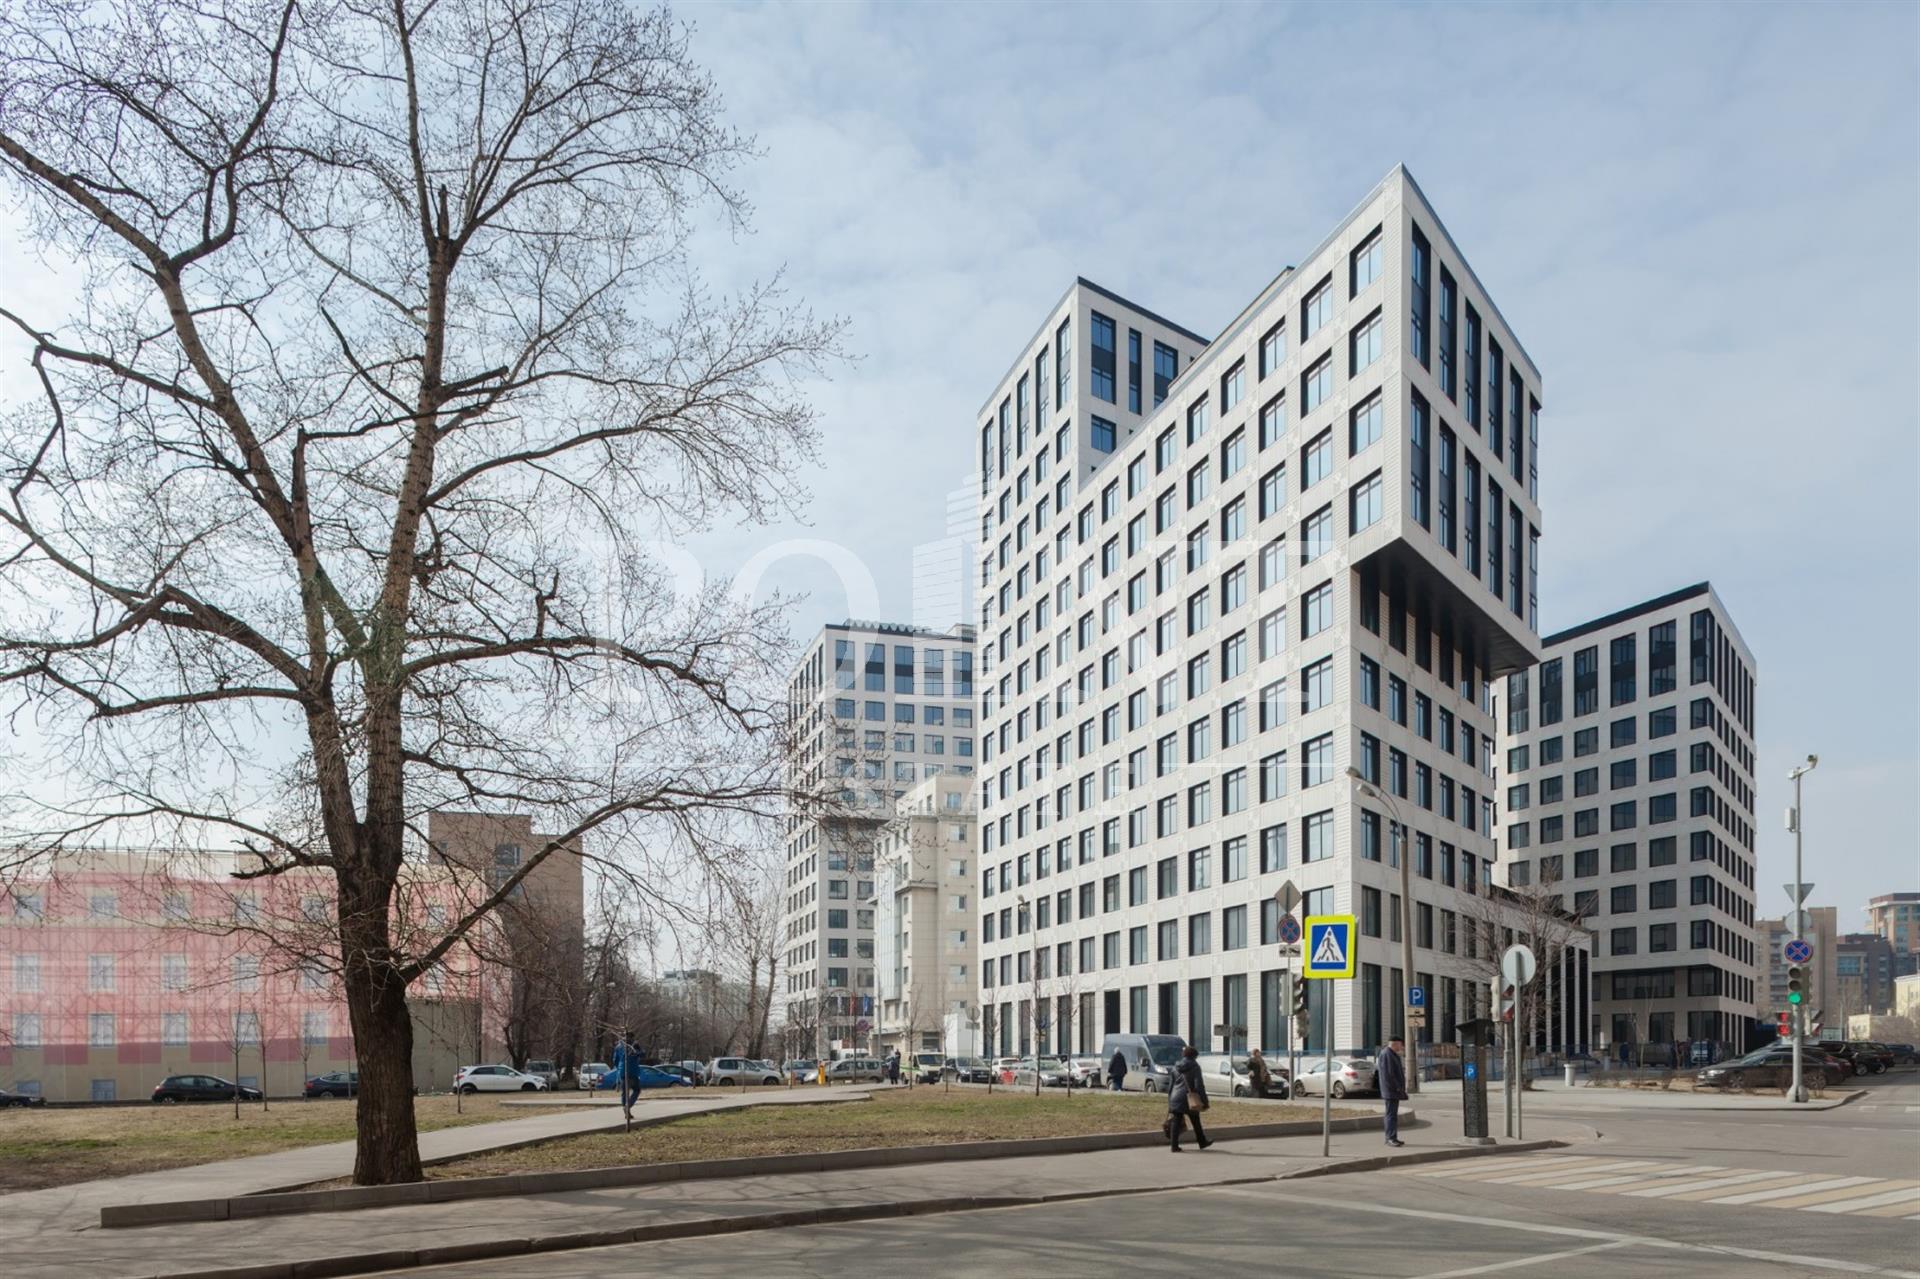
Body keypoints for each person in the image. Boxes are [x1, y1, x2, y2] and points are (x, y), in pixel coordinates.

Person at [1167, 1046, 1212, 1152]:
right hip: (1190, 1098)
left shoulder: (1175, 1067)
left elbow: (1171, 1085)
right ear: (1194, 1056)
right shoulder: (1195, 1066)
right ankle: (1202, 1141)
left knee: (1176, 1121)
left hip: (1175, 1097)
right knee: (1196, 1120)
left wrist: (1170, 1101)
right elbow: (1199, 1085)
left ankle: (1174, 1146)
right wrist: (1204, 1101)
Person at [1378, 1034, 1409, 1147]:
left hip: (1393, 1090)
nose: (1401, 1047)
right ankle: (1390, 1138)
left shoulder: (1392, 1054)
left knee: (1393, 1115)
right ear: (1395, 1044)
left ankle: (1393, 1137)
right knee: (1391, 1115)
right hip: (1391, 1090)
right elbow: (1389, 1074)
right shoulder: (1387, 1054)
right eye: (1401, 1045)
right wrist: (1398, 1087)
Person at [609, 1033, 645, 1121]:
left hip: (622, 1072)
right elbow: (642, 1055)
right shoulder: (634, 1046)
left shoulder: (619, 1047)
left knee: (625, 1092)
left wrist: (620, 1068)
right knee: (637, 1090)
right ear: (632, 1037)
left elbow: (615, 1060)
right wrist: (639, 1049)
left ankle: (627, 1111)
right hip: (633, 1072)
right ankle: (628, 1106)